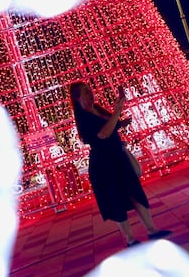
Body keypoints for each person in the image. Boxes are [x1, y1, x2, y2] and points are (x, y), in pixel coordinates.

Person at [69, 82, 172, 247]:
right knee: (115, 199)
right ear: (77, 98)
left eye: (90, 90)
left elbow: (113, 124)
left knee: (135, 192)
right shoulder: (84, 119)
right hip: (104, 164)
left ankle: (152, 229)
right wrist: (117, 110)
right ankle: (130, 239)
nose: (90, 94)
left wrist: (120, 116)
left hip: (119, 156)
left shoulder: (97, 109)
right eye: (85, 92)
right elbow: (103, 134)